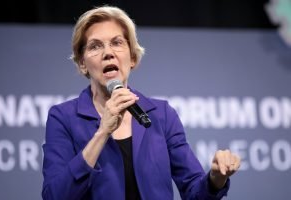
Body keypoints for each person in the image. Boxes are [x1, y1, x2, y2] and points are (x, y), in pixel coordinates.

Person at [42, 5, 241, 200]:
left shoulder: (161, 115)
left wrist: (216, 179)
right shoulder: (63, 118)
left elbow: (193, 191)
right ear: (82, 63)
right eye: (95, 46)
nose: (108, 53)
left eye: (117, 43)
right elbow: (54, 195)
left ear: (133, 58)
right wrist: (102, 133)